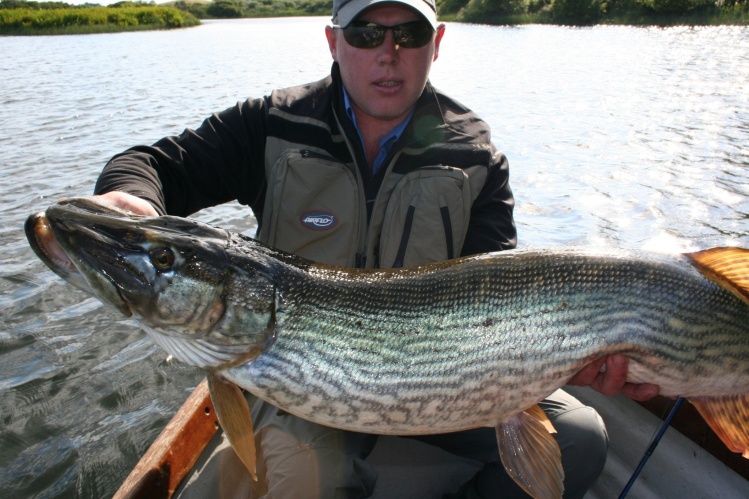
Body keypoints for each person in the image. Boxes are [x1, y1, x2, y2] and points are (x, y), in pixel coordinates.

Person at [92, 0, 660, 496]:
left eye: (408, 34)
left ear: (435, 44)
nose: (388, 52)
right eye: (366, 33)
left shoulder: (475, 155)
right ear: (333, 41)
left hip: (449, 384)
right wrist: (129, 199)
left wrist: (564, 357)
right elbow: (149, 164)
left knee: (580, 440)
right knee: (305, 482)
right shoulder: (269, 124)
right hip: (291, 379)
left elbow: (498, 296)